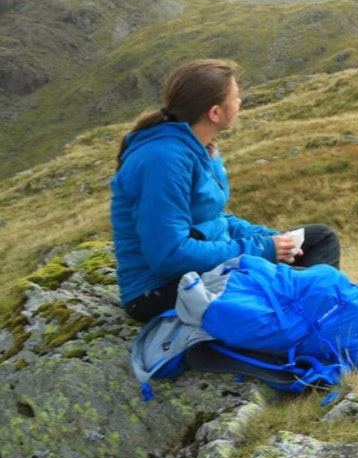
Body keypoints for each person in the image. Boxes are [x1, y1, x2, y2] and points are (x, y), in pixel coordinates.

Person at [110, 58, 341, 322]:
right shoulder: (163, 160)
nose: (240, 103)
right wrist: (262, 249)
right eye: (236, 97)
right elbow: (169, 256)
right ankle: (310, 322)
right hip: (160, 290)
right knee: (308, 282)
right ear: (215, 113)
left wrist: (271, 239)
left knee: (320, 238)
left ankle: (306, 315)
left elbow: (214, 219)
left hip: (197, 268)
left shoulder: (200, 148)